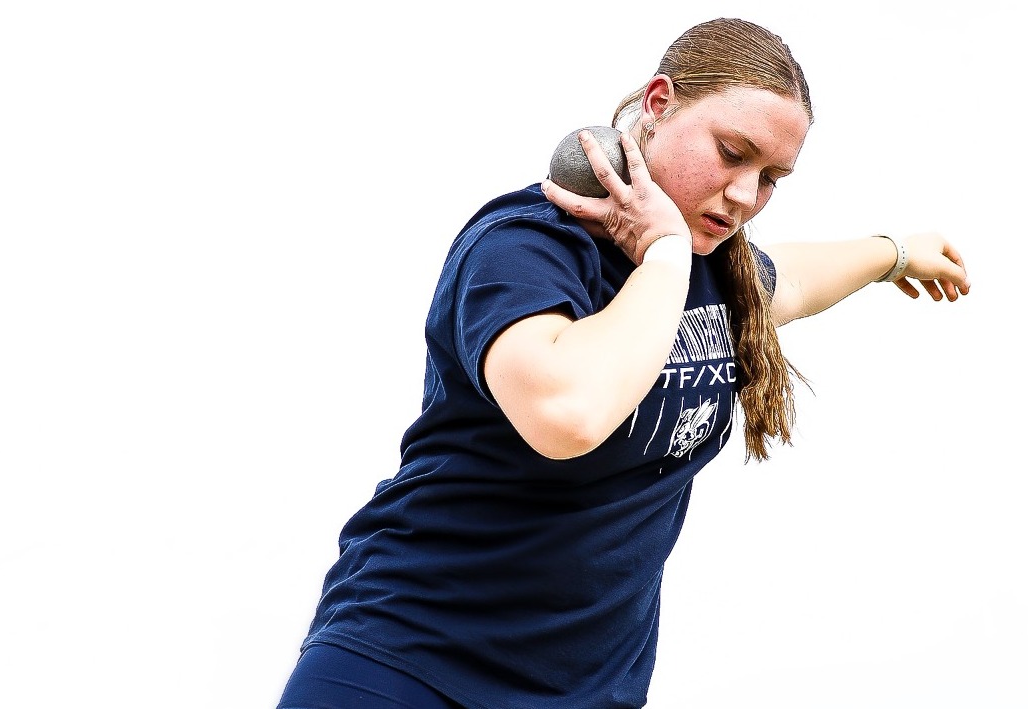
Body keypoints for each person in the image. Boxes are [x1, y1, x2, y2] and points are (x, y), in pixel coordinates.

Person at [276, 16, 970, 709]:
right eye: (732, 153)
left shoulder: (710, 270)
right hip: (404, 665)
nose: (742, 195)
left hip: (584, 692)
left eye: (770, 179)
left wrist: (895, 252)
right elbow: (568, 413)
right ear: (659, 104)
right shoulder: (525, 247)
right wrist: (664, 251)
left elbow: (787, 281)